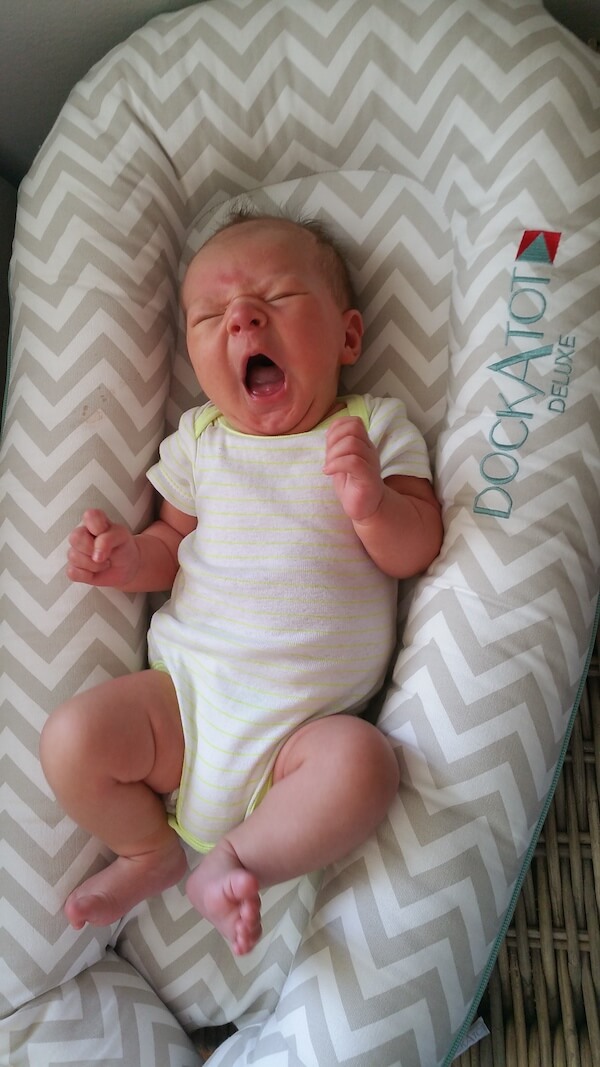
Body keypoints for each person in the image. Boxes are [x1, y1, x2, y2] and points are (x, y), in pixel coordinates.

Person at [40, 209, 443, 955]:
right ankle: (146, 850)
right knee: (70, 739)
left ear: (349, 337)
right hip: (185, 701)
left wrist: (372, 505)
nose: (243, 318)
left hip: (304, 728)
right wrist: (130, 557)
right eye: (210, 315)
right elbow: (171, 541)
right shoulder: (199, 439)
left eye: (278, 298)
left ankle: (236, 859)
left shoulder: (371, 428)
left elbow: (417, 547)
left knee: (366, 768)